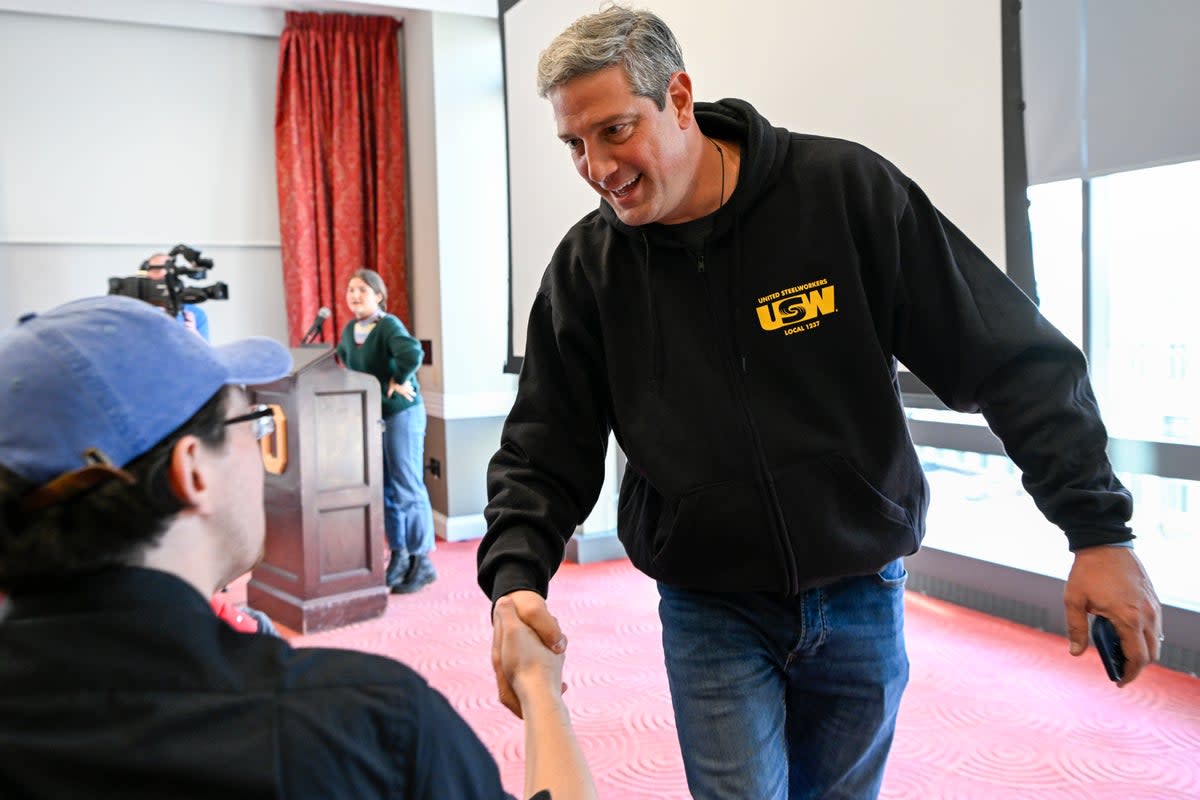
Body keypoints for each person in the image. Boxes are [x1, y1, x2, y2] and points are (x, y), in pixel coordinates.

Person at [476, 6, 1163, 799]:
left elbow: (1007, 355)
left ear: (679, 96)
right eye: (575, 144)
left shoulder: (842, 193)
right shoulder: (587, 268)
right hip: (711, 609)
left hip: (861, 590)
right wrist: (516, 577)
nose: (598, 167)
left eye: (616, 130)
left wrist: (1098, 529)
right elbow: (543, 446)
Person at [0, 295, 598, 800]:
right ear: (193, 472)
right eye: (253, 423)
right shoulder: (368, 726)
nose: (263, 451)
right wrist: (541, 693)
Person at [337, 268, 437, 594]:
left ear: (378, 296)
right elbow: (339, 362)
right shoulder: (351, 329)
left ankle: (422, 561)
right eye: (351, 290)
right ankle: (400, 555)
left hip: (401, 414)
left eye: (362, 290)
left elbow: (412, 353)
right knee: (386, 492)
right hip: (370, 416)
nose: (354, 295)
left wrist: (400, 380)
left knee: (407, 485)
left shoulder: (388, 324)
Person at [141, 251, 212, 341]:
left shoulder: (195, 314)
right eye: (156, 270)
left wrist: (194, 335)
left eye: (168, 270)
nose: (163, 274)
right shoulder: (132, 309)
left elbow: (207, 353)